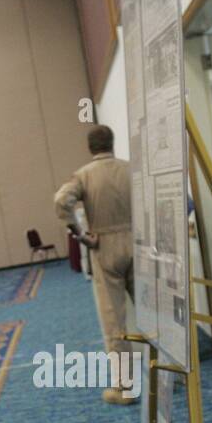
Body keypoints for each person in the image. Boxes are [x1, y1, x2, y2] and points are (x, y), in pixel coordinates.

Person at [54, 125, 135, 405]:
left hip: (104, 245)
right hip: (137, 242)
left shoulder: (84, 175)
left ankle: (124, 387)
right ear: (112, 143)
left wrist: (79, 233)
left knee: (114, 322)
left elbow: (61, 200)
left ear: (90, 148)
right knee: (152, 315)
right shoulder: (131, 168)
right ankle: (165, 377)